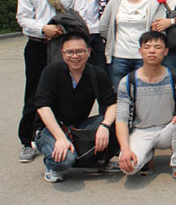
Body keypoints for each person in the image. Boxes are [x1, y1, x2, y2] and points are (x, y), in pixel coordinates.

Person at [16, 0, 87, 163]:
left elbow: (80, 16)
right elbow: (23, 18)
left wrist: (62, 31)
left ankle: (60, 133)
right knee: (35, 92)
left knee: (63, 91)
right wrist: (43, 28)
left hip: (65, 47)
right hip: (38, 45)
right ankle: (27, 140)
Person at [33, 32, 117, 182]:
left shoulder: (97, 73)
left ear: (88, 52)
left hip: (78, 125)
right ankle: (53, 165)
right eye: (70, 52)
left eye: (79, 51)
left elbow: (112, 104)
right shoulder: (52, 72)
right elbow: (43, 107)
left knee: (118, 122)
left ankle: (95, 161)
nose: (75, 56)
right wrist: (60, 138)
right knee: (65, 159)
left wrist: (105, 126)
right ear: (63, 53)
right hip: (50, 128)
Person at [116, 31, 176, 182]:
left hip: (168, 129)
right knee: (128, 168)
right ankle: (146, 154)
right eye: (147, 47)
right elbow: (121, 118)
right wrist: (125, 149)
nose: (152, 51)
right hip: (141, 130)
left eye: (157, 47)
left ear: (166, 51)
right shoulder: (128, 81)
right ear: (140, 51)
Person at [99, 0, 167, 91]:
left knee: (145, 94)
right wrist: (114, 40)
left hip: (144, 58)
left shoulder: (154, 1)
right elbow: (103, 27)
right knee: (120, 95)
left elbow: (159, 31)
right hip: (118, 57)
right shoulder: (116, 1)